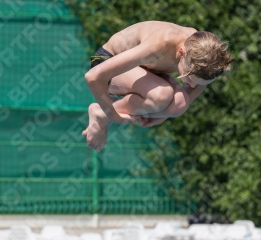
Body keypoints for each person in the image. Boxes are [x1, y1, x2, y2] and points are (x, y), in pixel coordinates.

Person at [83, 21, 232, 151]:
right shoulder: (159, 45)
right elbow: (93, 76)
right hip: (107, 61)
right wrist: (112, 115)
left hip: (145, 71)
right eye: (189, 77)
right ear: (181, 52)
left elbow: (199, 85)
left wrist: (163, 115)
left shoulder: (203, 50)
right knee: (161, 94)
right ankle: (101, 114)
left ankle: (107, 112)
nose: (192, 84)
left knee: (180, 104)